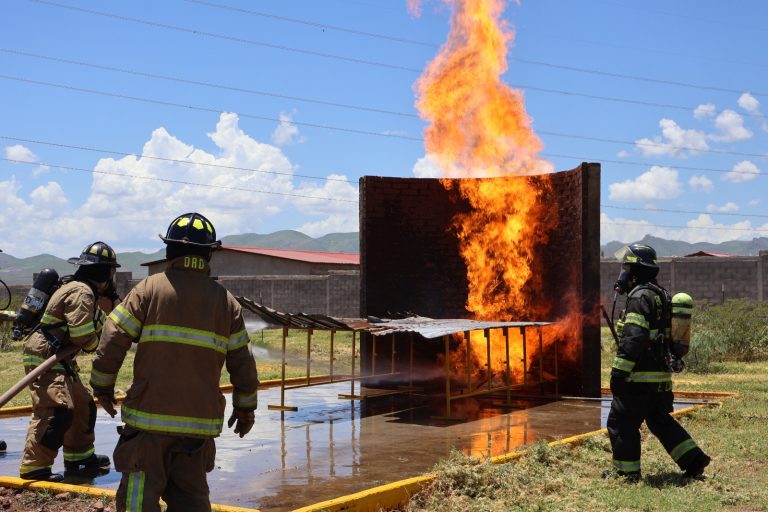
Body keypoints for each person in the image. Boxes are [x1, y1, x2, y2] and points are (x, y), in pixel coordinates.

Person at [91, 212, 259, 512]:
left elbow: (112, 337)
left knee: (138, 502)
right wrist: (245, 408)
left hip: (147, 425)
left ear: (169, 250)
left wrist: (102, 387)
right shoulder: (226, 302)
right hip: (197, 430)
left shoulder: (148, 289)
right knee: (191, 501)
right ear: (208, 254)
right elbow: (243, 363)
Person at [606, 243, 711, 481]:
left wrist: (619, 373)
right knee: (660, 421)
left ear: (635, 271)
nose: (623, 274)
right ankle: (694, 460)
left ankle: (626, 473)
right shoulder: (661, 295)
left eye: (626, 268)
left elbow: (635, 338)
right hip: (660, 379)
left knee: (621, 422)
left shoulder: (639, 297)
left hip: (638, 379)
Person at [19, 241, 120, 482]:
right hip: (46, 354)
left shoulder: (81, 289)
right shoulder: (82, 292)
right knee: (57, 409)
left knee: (83, 406)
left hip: (58, 355)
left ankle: (79, 458)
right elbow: (82, 336)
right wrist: (95, 341)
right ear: (105, 273)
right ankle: (34, 466)